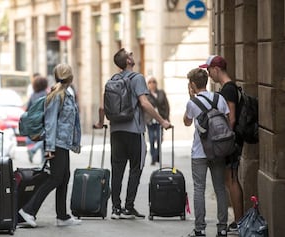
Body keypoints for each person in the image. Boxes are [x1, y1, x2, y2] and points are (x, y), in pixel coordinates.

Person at [95, 48, 171, 220]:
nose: (132, 55)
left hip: (115, 132)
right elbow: (144, 103)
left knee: (117, 169)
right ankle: (128, 207)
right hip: (134, 131)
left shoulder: (112, 80)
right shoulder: (137, 78)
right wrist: (162, 121)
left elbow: (102, 107)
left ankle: (115, 209)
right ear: (128, 61)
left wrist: (100, 123)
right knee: (135, 168)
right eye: (130, 54)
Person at [18, 63, 82, 227]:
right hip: (56, 144)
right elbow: (50, 123)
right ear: (70, 77)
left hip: (64, 143)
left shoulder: (66, 95)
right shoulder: (56, 96)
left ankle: (62, 216)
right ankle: (28, 210)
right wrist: (49, 149)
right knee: (55, 178)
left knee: (64, 177)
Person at [199, 55, 244, 233]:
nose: (209, 75)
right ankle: (237, 220)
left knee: (231, 179)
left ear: (216, 69)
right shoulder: (228, 88)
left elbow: (231, 118)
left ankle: (239, 221)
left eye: (209, 70)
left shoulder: (229, 89)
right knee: (229, 179)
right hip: (229, 139)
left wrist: (222, 139)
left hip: (229, 141)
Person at [183, 68, 228, 237]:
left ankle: (200, 229)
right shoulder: (219, 98)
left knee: (199, 189)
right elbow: (227, 120)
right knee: (220, 189)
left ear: (193, 85)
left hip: (199, 152)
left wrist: (190, 98)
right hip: (218, 151)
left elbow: (187, 122)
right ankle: (222, 228)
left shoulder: (192, 103)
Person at [145, 76, 170, 165]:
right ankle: (153, 157)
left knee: (159, 139)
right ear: (148, 84)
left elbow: (166, 106)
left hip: (160, 120)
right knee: (151, 139)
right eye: (150, 82)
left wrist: (167, 118)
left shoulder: (161, 93)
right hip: (150, 120)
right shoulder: (146, 94)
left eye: (154, 82)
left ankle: (158, 156)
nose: (152, 84)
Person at [25, 76, 48, 164]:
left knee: (42, 138)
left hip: (34, 121)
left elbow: (28, 109)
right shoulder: (45, 94)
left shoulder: (33, 95)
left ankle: (43, 159)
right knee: (45, 138)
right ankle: (34, 150)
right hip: (43, 120)